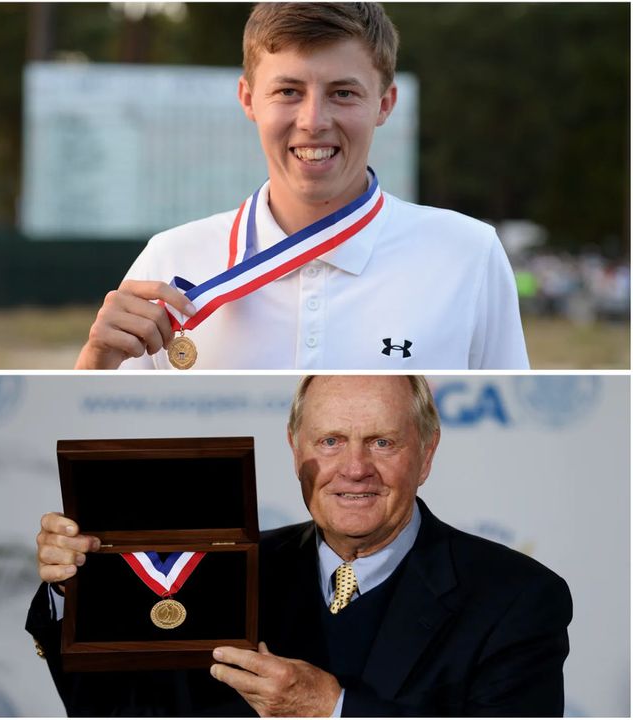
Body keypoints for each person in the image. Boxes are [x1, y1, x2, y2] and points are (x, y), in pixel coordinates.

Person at [29, 375, 571, 716]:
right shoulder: (226, 568)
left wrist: (333, 711)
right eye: (330, 441)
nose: (354, 469)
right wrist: (72, 591)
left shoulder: (517, 598)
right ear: (295, 450)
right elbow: (120, 709)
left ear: (425, 454)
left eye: (382, 442)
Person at [76, 3, 528, 370]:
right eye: (288, 91)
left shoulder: (468, 254)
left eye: (343, 93)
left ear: (384, 104)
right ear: (248, 100)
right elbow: (96, 442)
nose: (313, 121)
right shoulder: (170, 258)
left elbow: (512, 443)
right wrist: (96, 363)